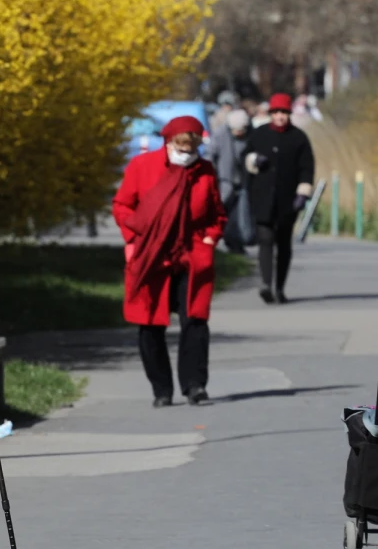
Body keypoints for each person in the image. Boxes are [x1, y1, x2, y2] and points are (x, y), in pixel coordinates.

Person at [113, 116, 226, 407]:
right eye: (182, 146)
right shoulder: (142, 166)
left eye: (193, 147)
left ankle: (194, 386)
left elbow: (217, 213)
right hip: (151, 255)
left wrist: (210, 238)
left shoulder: (205, 170)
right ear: (168, 141)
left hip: (192, 256)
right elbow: (123, 205)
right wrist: (133, 238)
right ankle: (161, 390)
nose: (187, 152)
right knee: (150, 324)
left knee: (196, 322)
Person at [243, 92, 315, 304]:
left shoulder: (299, 138)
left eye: (284, 112)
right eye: (277, 113)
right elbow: (244, 159)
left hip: (287, 199)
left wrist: (303, 193)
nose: (280, 117)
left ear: (289, 114)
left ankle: (280, 287)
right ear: (271, 114)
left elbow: (306, 168)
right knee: (265, 239)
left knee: (283, 244)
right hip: (262, 196)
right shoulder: (259, 134)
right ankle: (266, 284)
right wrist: (255, 160)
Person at [214, 108, 254, 254]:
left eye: (242, 129)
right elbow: (211, 155)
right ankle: (224, 241)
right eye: (236, 130)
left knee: (241, 214)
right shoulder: (219, 135)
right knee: (223, 212)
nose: (239, 133)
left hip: (243, 181)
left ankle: (237, 243)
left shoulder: (251, 135)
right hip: (225, 181)